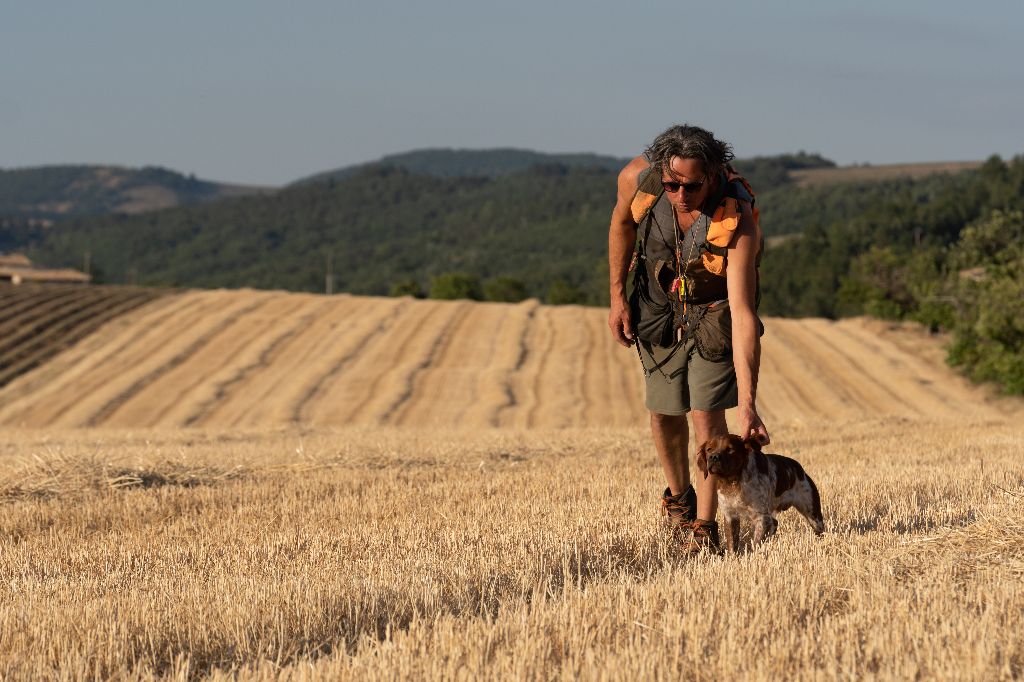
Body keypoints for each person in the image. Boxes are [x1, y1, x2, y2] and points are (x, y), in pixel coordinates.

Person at [607, 124, 770, 553]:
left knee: (706, 419)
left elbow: (744, 313)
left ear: (713, 175)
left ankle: (703, 526)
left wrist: (749, 405)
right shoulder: (637, 180)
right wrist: (616, 298)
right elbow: (621, 224)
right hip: (658, 309)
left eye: (692, 187)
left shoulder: (738, 221)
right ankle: (680, 499)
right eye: (671, 185)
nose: (680, 196)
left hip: (715, 316)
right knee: (662, 412)